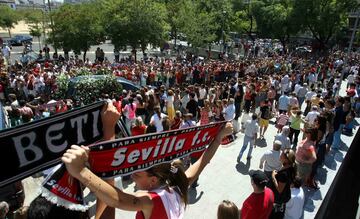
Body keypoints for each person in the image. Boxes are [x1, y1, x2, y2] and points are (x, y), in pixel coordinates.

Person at [61, 103, 233, 219]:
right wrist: (218, 139)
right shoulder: (178, 187)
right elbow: (202, 162)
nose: (131, 173)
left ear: (153, 180)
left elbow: (116, 199)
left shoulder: (150, 199)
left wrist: (81, 171)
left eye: (136, 172)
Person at [267, 149, 296, 219]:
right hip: (283, 198)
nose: (280, 154)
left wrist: (273, 177)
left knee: (273, 215)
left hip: (277, 199)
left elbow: (280, 190)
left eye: (282, 154)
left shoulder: (284, 174)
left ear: (286, 159)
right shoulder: (291, 167)